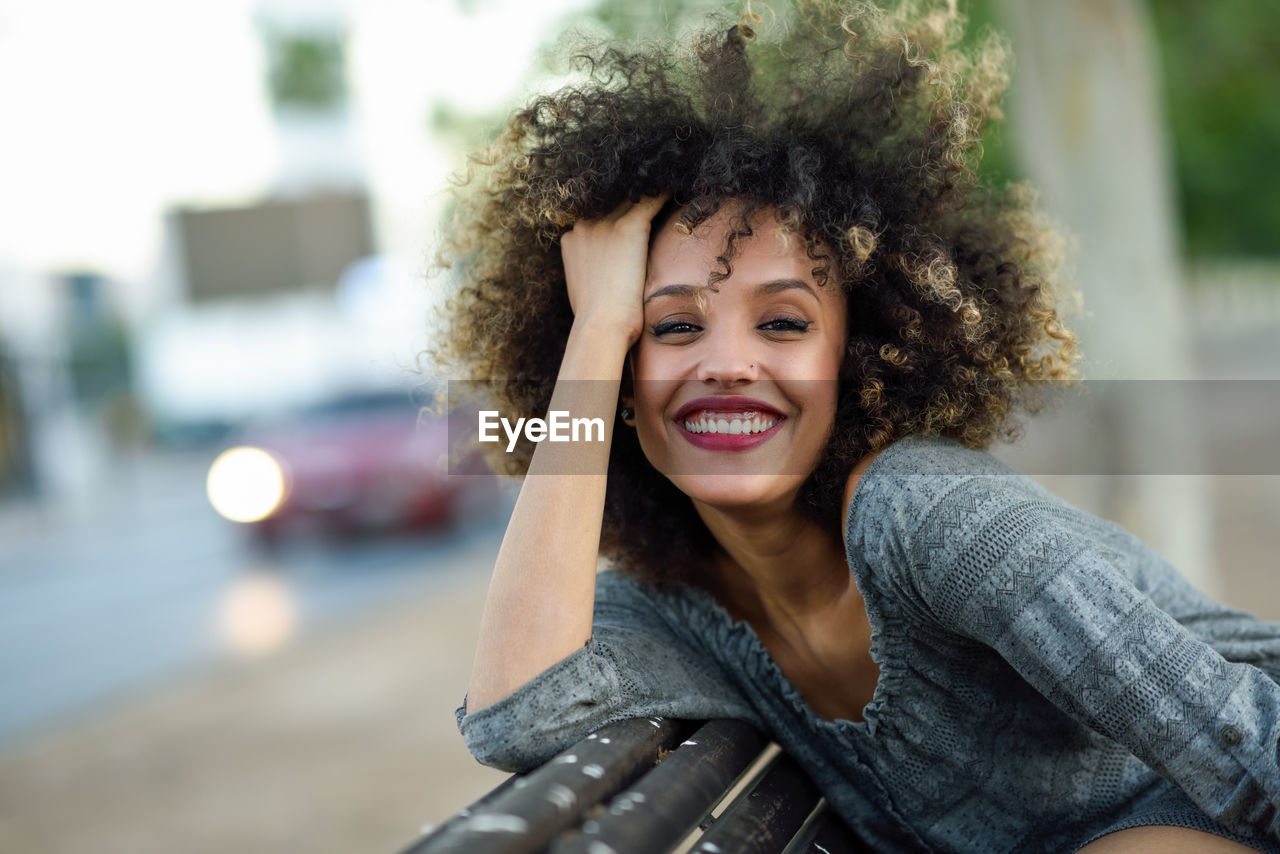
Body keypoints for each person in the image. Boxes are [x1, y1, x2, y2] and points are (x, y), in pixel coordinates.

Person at [433, 2, 1280, 851]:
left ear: (860, 358)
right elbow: (518, 719)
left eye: (785, 324)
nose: (727, 363)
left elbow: (1247, 745)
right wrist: (596, 333)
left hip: (1187, 802)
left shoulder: (929, 518)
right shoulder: (674, 607)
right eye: (673, 327)